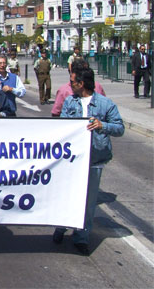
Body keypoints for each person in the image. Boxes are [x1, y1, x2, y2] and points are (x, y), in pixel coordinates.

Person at [53, 67, 124, 255]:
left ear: (81, 83)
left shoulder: (105, 104)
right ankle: (61, 227)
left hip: (94, 160)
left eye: (73, 81)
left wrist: (102, 125)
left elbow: (119, 128)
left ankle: (82, 238)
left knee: (88, 201)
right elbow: (63, 125)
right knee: (68, 196)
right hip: (72, 160)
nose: (70, 85)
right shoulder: (70, 101)